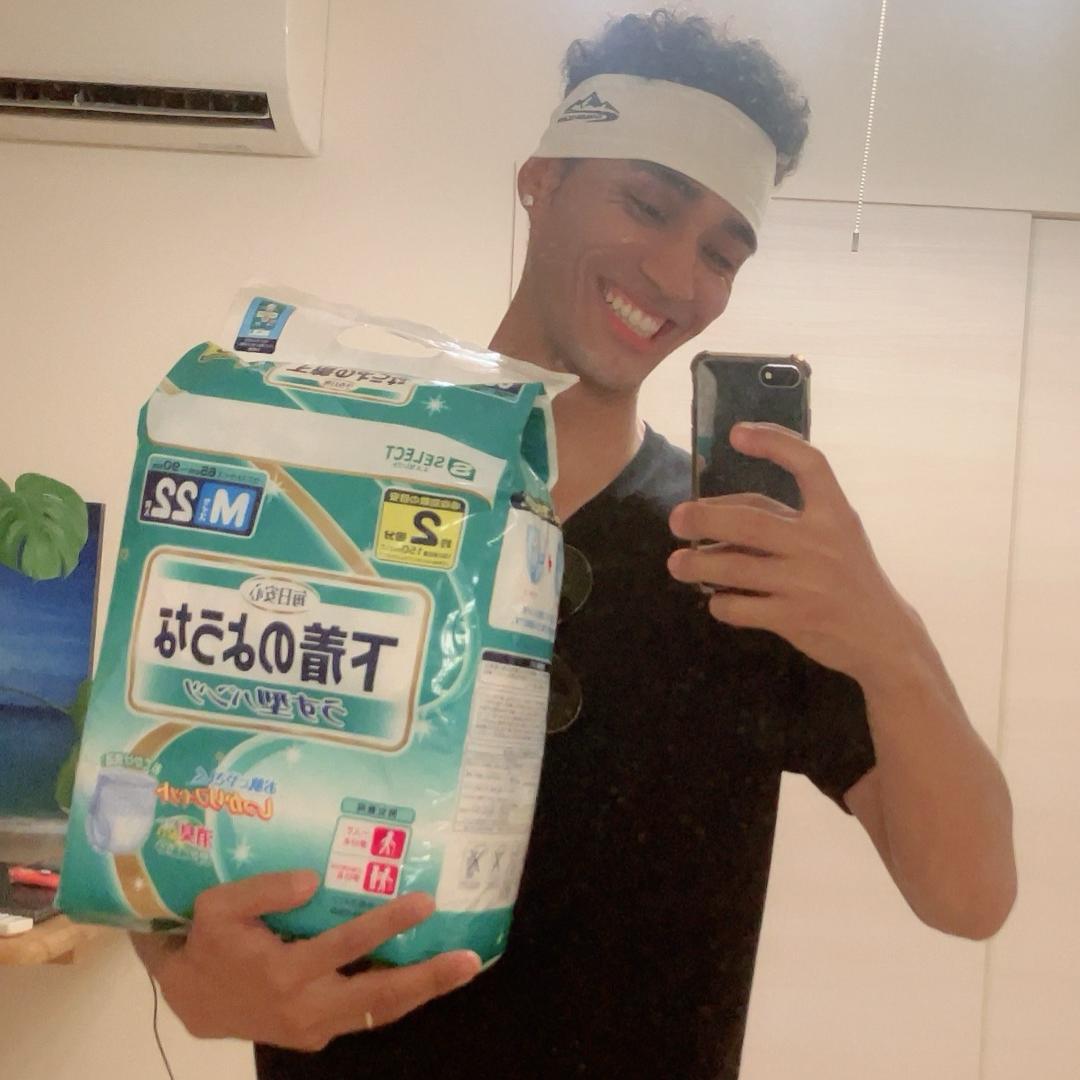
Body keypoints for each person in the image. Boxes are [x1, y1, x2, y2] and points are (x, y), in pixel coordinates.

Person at [132, 11, 1017, 1078]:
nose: (679, 277)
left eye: (722, 253)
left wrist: (891, 639)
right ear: (541, 181)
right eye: (647, 204)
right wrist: (178, 967)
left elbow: (970, 897)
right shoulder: (337, 474)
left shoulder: (741, 559)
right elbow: (165, 772)